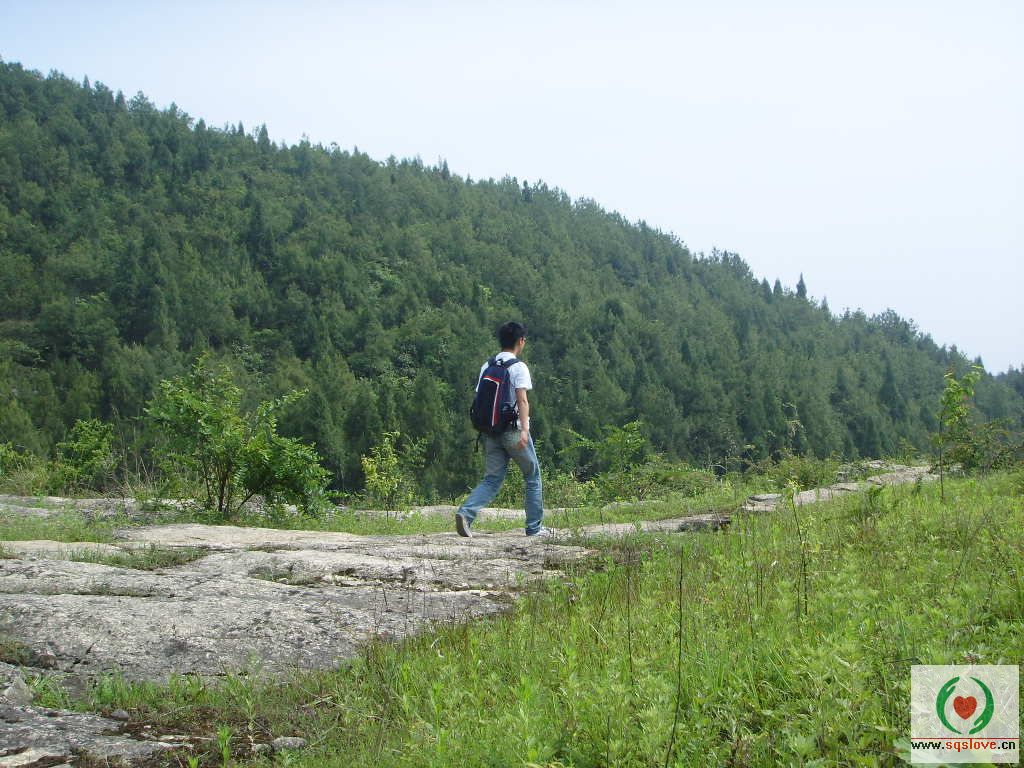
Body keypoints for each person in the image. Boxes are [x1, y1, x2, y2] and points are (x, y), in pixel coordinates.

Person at [456, 321, 551, 538]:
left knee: (492, 479)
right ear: (521, 341)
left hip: (491, 432)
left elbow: (480, 399)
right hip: (513, 431)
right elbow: (522, 401)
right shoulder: (518, 367)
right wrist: (525, 430)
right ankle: (534, 528)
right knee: (532, 476)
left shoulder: (487, 365)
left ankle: (465, 514)